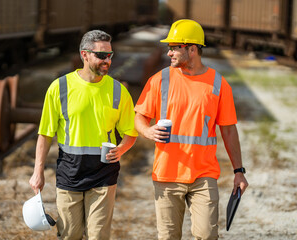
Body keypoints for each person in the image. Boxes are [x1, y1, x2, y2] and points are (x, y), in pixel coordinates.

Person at [134, 19, 249, 240]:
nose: (169, 53)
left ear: (192, 49)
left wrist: (238, 172)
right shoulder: (160, 80)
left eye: (174, 47)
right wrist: (147, 131)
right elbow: (140, 116)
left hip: (203, 175)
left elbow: (228, 130)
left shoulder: (218, 83)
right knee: (168, 237)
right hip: (167, 174)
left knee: (207, 236)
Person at [29, 30, 138, 239]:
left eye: (110, 55)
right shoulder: (59, 88)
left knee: (98, 236)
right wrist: (38, 171)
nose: (107, 61)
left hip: (104, 173)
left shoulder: (118, 91)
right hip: (69, 172)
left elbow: (131, 132)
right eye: (101, 55)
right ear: (84, 55)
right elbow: (45, 134)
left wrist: (122, 149)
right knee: (70, 235)